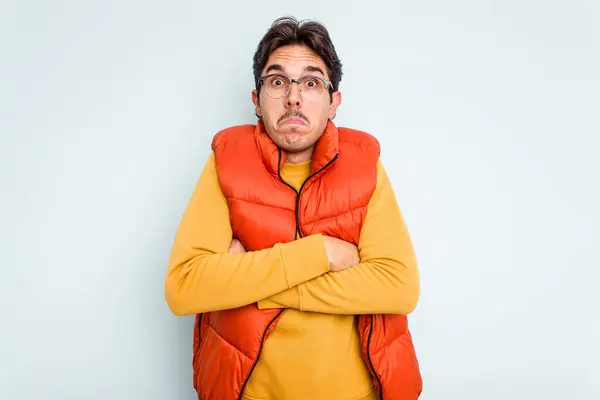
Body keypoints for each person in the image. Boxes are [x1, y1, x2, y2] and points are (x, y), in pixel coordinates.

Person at [165, 16, 422, 400]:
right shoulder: (227, 160)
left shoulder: (363, 163)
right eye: (277, 81)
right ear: (256, 99)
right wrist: (322, 253)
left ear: (334, 102)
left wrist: (249, 278)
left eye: (312, 82)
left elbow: (399, 288)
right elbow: (185, 286)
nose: (294, 97)